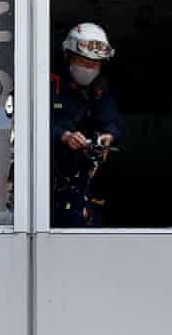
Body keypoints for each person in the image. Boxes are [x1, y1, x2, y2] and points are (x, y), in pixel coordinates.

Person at [51, 23, 123, 227]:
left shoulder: (98, 89)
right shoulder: (45, 83)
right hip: (44, 178)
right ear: (67, 56)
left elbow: (113, 120)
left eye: (95, 65)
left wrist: (109, 135)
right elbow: (27, 125)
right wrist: (63, 136)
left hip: (81, 179)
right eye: (84, 62)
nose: (89, 69)